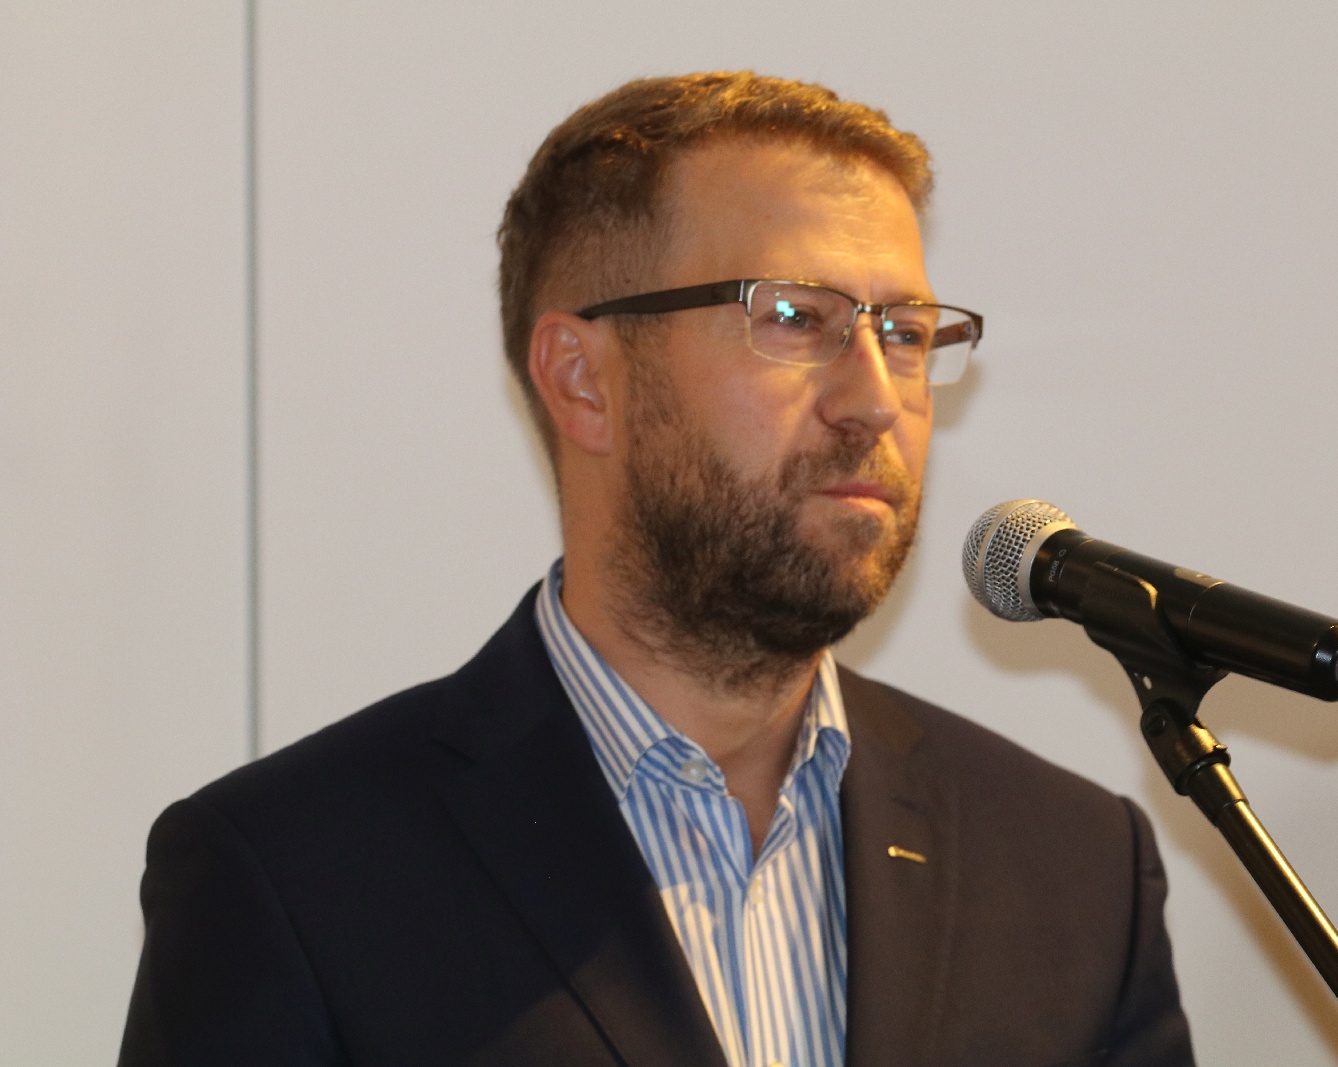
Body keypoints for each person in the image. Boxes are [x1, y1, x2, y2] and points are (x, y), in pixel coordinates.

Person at [119, 72, 1194, 1067]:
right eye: (794, 318)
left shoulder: (1072, 870)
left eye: (906, 333)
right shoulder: (297, 877)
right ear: (582, 379)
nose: (876, 399)